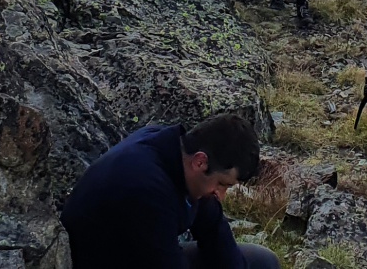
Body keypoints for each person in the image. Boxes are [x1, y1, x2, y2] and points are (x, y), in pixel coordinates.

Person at [60, 112, 279, 269]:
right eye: (222, 184)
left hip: (143, 256)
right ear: (200, 162)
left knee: (262, 261)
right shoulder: (146, 188)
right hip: (104, 261)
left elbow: (213, 228)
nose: (220, 195)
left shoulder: (178, 155)